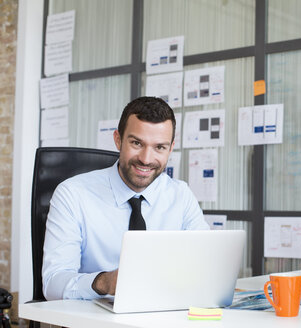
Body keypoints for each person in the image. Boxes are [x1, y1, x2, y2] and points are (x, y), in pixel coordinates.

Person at [42, 97, 209, 300]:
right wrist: (105, 282)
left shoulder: (180, 195)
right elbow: (53, 285)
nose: (146, 159)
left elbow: (205, 265)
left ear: (171, 148)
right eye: (137, 143)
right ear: (118, 139)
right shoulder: (72, 194)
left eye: (159, 147)